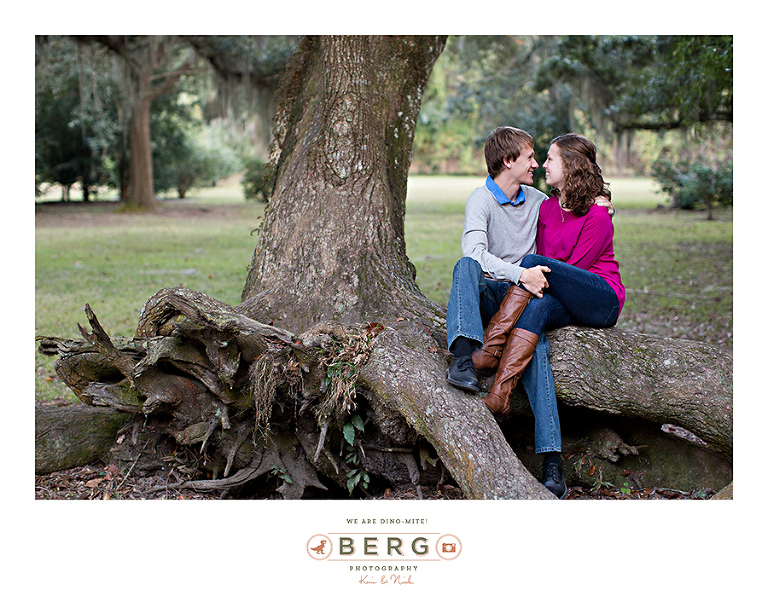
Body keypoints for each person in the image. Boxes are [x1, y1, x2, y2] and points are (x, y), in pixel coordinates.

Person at [445, 126, 614, 499]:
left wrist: (604, 198)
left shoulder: (538, 200)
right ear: (509, 161)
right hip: (499, 288)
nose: (536, 163)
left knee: (535, 348)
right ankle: (462, 356)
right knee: (464, 266)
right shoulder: (481, 201)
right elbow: (475, 255)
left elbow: (576, 198)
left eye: (543, 157)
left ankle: (552, 463)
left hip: (529, 296)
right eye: (530, 157)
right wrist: (520, 273)